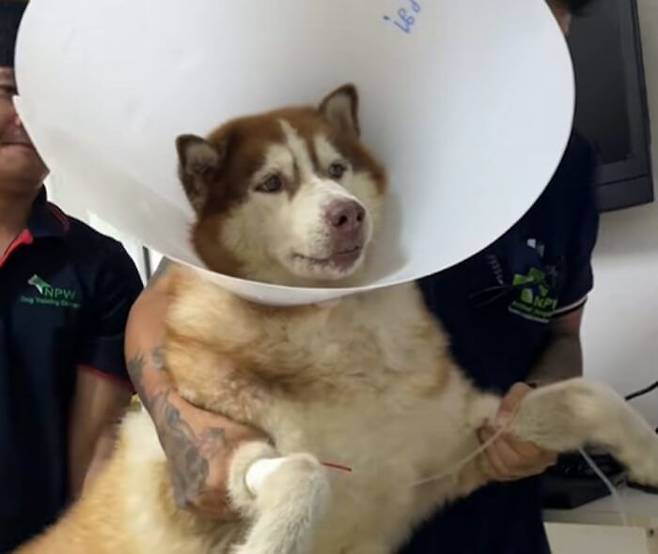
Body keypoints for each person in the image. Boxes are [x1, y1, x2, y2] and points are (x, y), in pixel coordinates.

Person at [125, 0, 599, 551]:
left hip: (496, 529)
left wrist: (544, 404)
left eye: (551, 34)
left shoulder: (568, 161)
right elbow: (157, 305)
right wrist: (182, 428)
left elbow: (564, 337)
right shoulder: (335, 133)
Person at [0, 2, 144, 551]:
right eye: (7, 93)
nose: (25, 118)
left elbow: (98, 448)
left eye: (41, 101)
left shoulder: (97, 267)